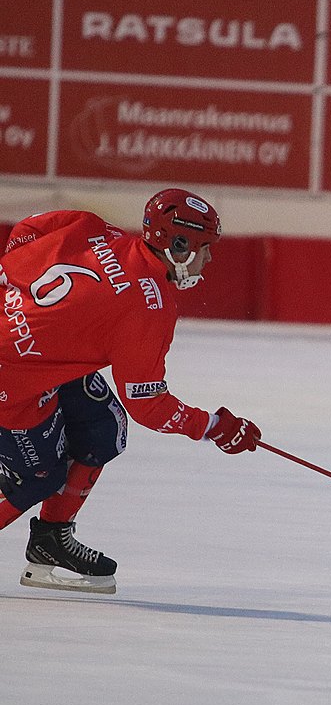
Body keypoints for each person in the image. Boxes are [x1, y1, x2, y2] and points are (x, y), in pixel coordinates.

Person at [0, 189, 262, 594]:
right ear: (178, 246)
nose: (208, 260)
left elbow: (26, 232)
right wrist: (212, 427)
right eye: (204, 249)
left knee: (103, 426)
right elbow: (148, 404)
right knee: (37, 478)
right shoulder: (149, 306)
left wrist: (22, 299)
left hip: (27, 358)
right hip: (12, 381)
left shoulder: (93, 228)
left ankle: (50, 539)